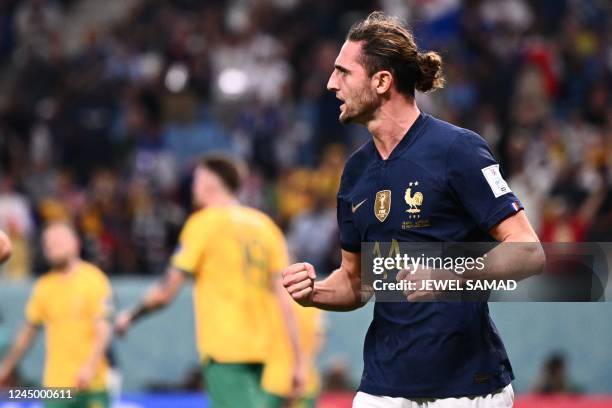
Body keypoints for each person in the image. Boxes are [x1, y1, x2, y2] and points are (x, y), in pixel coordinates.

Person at [282, 11, 545, 408]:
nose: (330, 83)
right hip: (382, 388)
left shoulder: (458, 150)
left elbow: (528, 251)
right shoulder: (355, 173)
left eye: (343, 72)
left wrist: (448, 273)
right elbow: (356, 283)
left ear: (382, 81)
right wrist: (314, 291)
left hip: (467, 388)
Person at [114, 155, 303, 408]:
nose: (192, 187)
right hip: (264, 348)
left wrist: (131, 315)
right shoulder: (266, 226)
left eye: (196, 180)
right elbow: (286, 299)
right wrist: (299, 359)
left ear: (210, 182)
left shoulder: (203, 223)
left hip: (225, 346)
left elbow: (165, 292)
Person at [0, 222, 113, 408]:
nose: (51, 246)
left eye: (58, 240)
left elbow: (103, 329)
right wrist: (6, 368)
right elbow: (28, 333)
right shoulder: (44, 286)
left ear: (75, 244)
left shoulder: (94, 280)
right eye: (47, 243)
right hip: (57, 387)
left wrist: (90, 366)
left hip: (92, 384)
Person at [262, 299, 324, 408]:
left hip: (271, 379)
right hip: (304, 380)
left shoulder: (269, 298)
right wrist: (304, 365)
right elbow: (319, 336)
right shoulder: (314, 302)